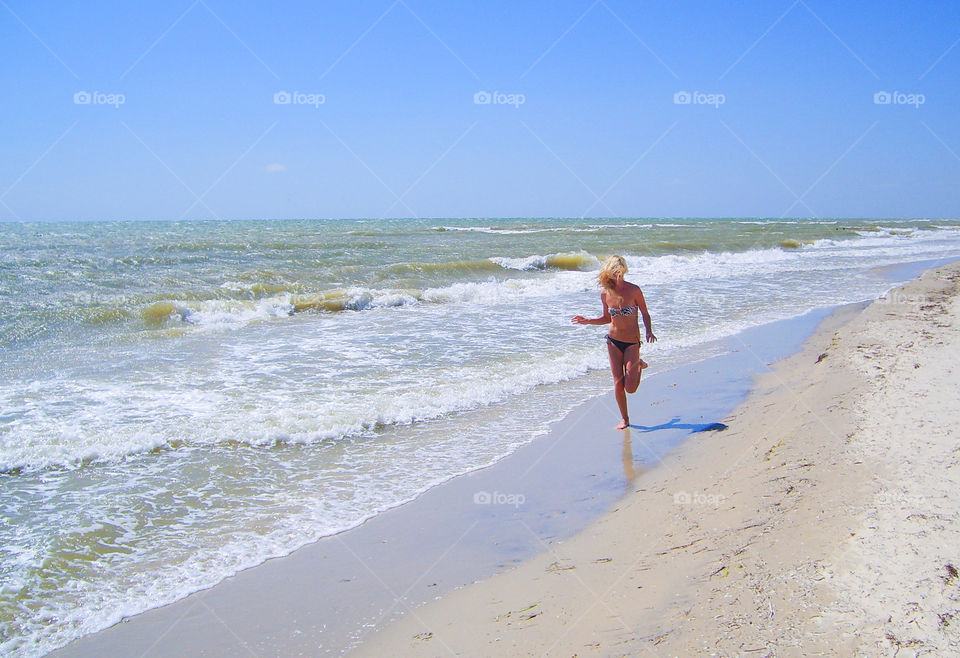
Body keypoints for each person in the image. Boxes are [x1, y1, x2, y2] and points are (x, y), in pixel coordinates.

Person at [572, 255, 656, 429]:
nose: (618, 276)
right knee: (618, 382)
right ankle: (625, 419)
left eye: (621, 272)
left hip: (632, 342)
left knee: (630, 388)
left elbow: (645, 313)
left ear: (624, 271)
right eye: (615, 273)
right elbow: (606, 318)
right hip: (613, 342)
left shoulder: (634, 290)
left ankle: (638, 364)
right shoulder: (605, 293)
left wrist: (649, 331)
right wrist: (587, 320)